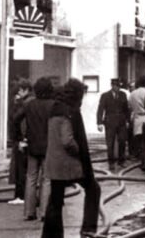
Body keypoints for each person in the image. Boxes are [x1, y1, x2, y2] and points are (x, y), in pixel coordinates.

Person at [42, 78, 101, 238]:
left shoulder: (54, 108)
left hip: (53, 163)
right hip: (70, 164)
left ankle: (50, 235)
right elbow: (67, 140)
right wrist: (78, 152)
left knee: (55, 200)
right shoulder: (69, 111)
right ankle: (88, 229)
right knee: (93, 189)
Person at [13, 77, 55, 221]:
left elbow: (16, 119)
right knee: (47, 179)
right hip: (49, 146)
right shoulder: (53, 105)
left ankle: (29, 212)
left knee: (31, 178)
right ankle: (44, 212)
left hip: (31, 145)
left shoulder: (29, 105)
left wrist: (19, 137)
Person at [8, 78, 32, 205]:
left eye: (20, 91)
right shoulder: (29, 101)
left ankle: (21, 195)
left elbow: (16, 120)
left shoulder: (25, 104)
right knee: (25, 169)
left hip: (22, 140)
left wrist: (22, 139)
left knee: (21, 169)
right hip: (25, 140)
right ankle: (23, 195)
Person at [96, 78, 130, 169]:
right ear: (112, 85)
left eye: (119, 86)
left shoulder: (123, 95)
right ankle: (111, 162)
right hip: (110, 122)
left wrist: (127, 120)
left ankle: (121, 161)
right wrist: (99, 123)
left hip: (121, 122)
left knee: (122, 141)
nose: (117, 88)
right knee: (110, 143)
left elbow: (126, 109)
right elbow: (100, 109)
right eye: (116, 86)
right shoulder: (105, 96)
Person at [128, 76, 145, 167]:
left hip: (137, 119)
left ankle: (142, 161)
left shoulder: (132, 94)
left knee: (140, 142)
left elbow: (130, 107)